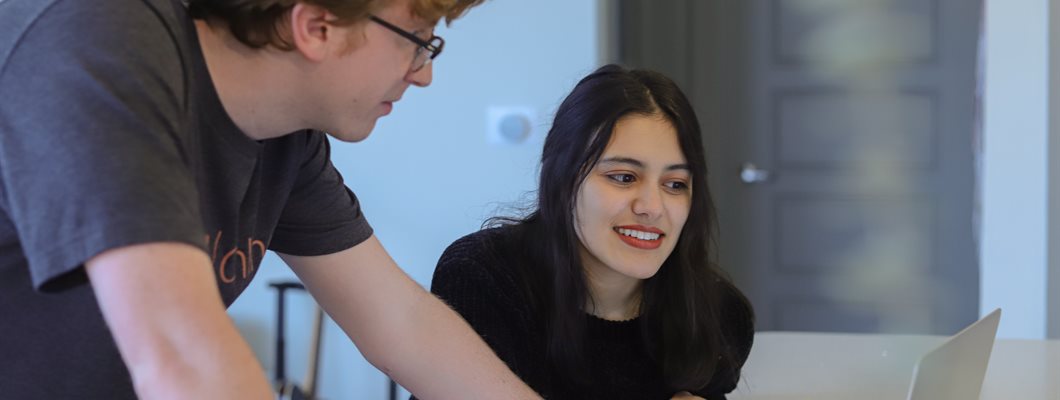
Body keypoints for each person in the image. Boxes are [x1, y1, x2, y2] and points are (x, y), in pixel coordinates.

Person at [0, 0, 542, 399]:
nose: (423, 73)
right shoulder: (96, 38)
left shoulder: (285, 139)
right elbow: (184, 357)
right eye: (418, 39)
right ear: (317, 26)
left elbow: (404, 324)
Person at [428, 65, 755, 400]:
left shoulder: (719, 316)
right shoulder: (480, 279)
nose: (652, 207)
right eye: (624, 177)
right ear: (562, 178)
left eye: (675, 184)